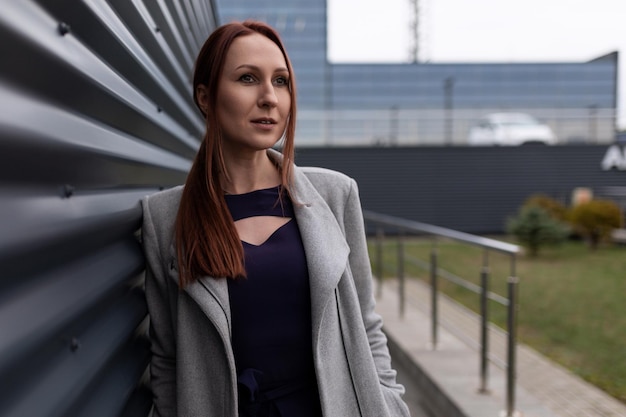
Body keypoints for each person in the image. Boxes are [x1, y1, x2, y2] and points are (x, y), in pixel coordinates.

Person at [141, 20, 410, 417]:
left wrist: (390, 403)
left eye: (281, 81)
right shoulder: (165, 217)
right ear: (205, 96)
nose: (270, 97)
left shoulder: (334, 195)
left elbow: (366, 327)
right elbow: (167, 358)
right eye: (248, 78)